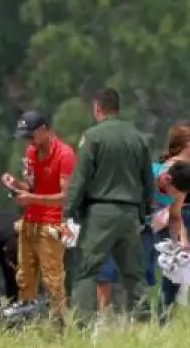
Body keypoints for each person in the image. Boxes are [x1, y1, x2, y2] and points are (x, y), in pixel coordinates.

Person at [63, 88, 154, 321]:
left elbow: (80, 178)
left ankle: (84, 325)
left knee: (86, 270)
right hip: (130, 213)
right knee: (135, 274)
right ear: (118, 107)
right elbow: (147, 180)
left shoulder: (93, 136)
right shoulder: (137, 137)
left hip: (100, 212)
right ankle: (143, 323)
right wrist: (145, 212)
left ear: (97, 108)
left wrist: (69, 211)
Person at [3, 111, 76, 318]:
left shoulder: (65, 154)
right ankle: (27, 319)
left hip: (51, 223)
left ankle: (59, 321)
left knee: (53, 278)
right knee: (24, 275)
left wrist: (31, 199)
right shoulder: (30, 152)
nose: (30, 141)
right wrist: (16, 184)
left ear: (44, 129)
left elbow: (63, 197)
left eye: (31, 135)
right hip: (30, 220)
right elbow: (31, 186)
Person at [153, 122, 190, 321]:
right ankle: (162, 321)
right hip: (175, 227)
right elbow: (173, 209)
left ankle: (168, 318)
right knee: (172, 277)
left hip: (188, 223)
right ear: (186, 142)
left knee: (183, 278)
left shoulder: (185, 168)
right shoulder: (172, 169)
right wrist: (182, 238)